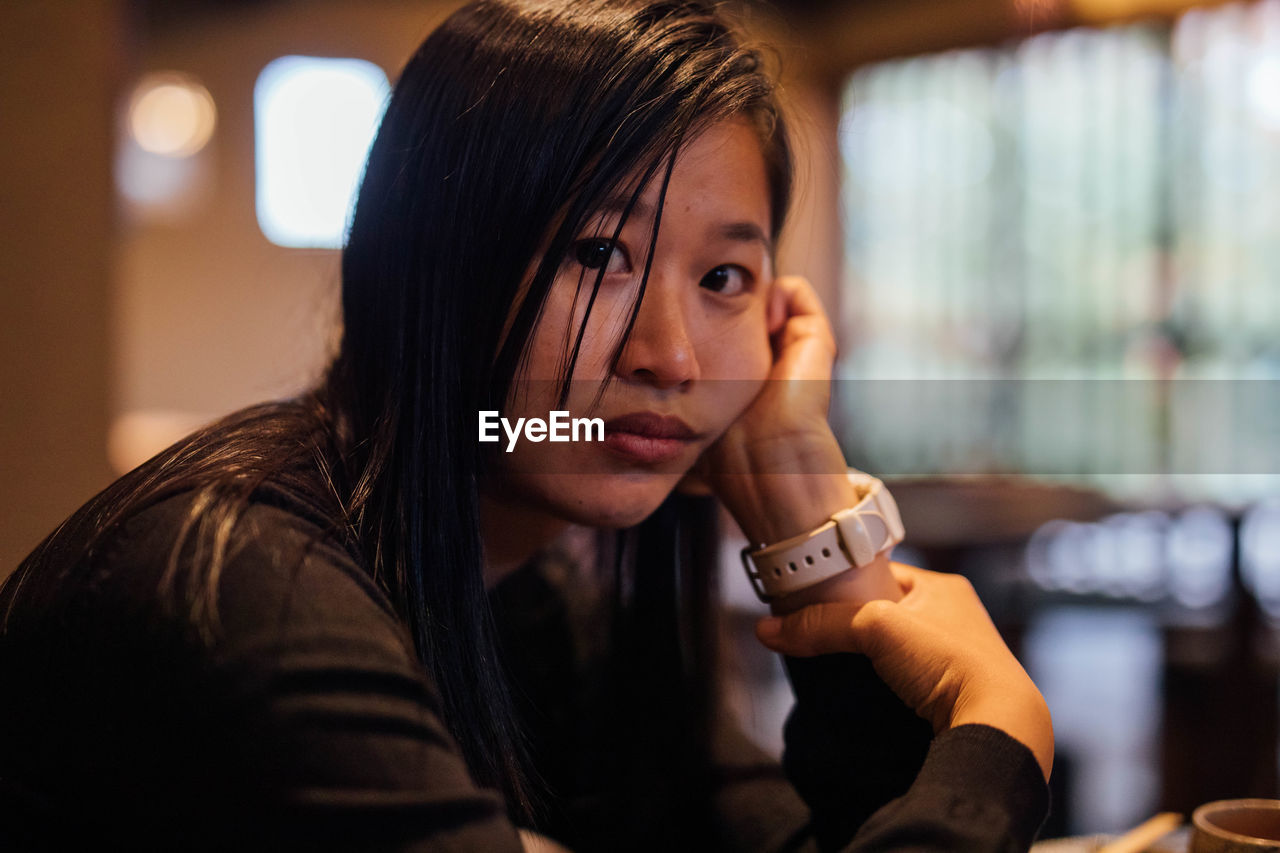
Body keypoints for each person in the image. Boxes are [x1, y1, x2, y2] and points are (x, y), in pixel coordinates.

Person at [0, 0, 1053, 850]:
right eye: (595, 256)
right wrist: (998, 734)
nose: (671, 357)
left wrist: (804, 515)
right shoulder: (245, 591)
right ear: (431, 269)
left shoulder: (539, 597)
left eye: (724, 277)